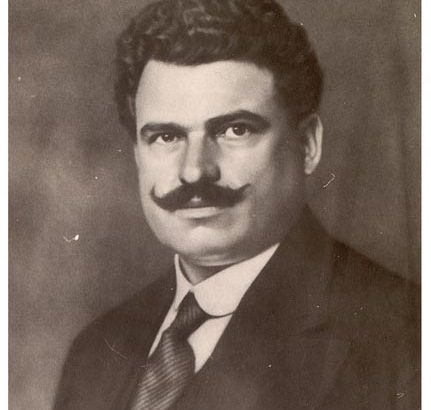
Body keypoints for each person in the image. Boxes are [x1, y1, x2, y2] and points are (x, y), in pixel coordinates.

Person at [53, 0, 420, 409]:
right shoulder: (95, 352)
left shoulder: (406, 343)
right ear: (138, 154)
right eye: (166, 137)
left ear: (307, 144)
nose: (194, 171)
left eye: (235, 130)